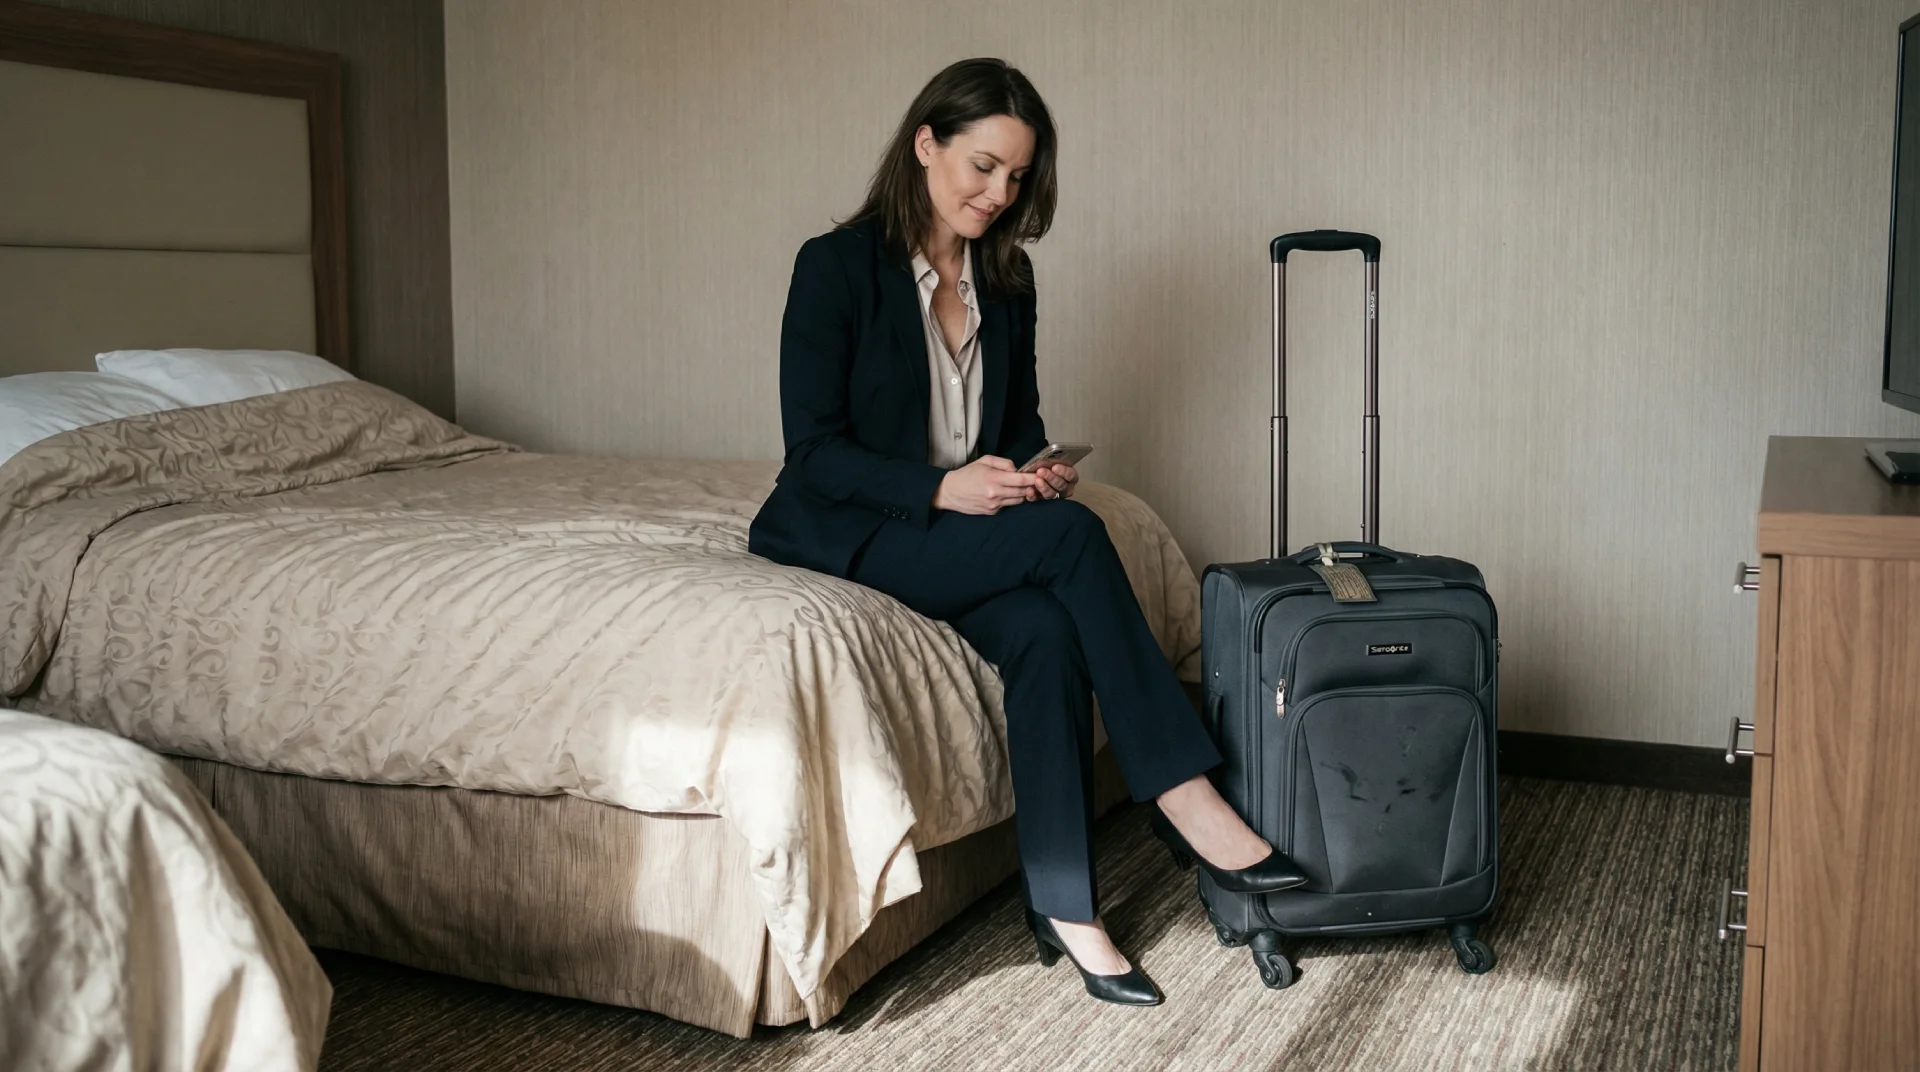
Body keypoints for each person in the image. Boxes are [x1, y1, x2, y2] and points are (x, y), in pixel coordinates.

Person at [748, 58, 1307, 1007]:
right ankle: (1182, 792)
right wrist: (942, 490)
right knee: (1076, 542)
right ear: (924, 144)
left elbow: (1011, 431)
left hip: (956, 522)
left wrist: (1034, 471)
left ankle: (1063, 902)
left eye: (1016, 176)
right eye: (982, 166)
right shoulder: (835, 267)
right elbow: (814, 454)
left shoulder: (1008, 279)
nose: (998, 193)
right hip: (854, 529)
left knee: (1047, 630)